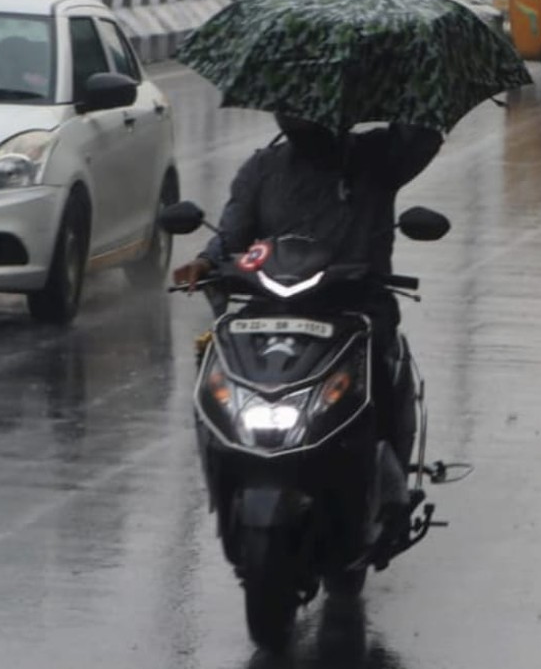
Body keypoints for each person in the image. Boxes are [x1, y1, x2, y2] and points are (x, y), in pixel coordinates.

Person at [172, 114, 443, 451]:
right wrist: (207, 261)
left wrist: (415, 84)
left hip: (355, 307)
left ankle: (385, 469)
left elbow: (422, 138)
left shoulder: (377, 157)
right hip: (274, 307)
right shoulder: (262, 168)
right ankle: (226, 455)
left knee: (378, 366)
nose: (298, 120)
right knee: (219, 365)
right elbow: (231, 236)